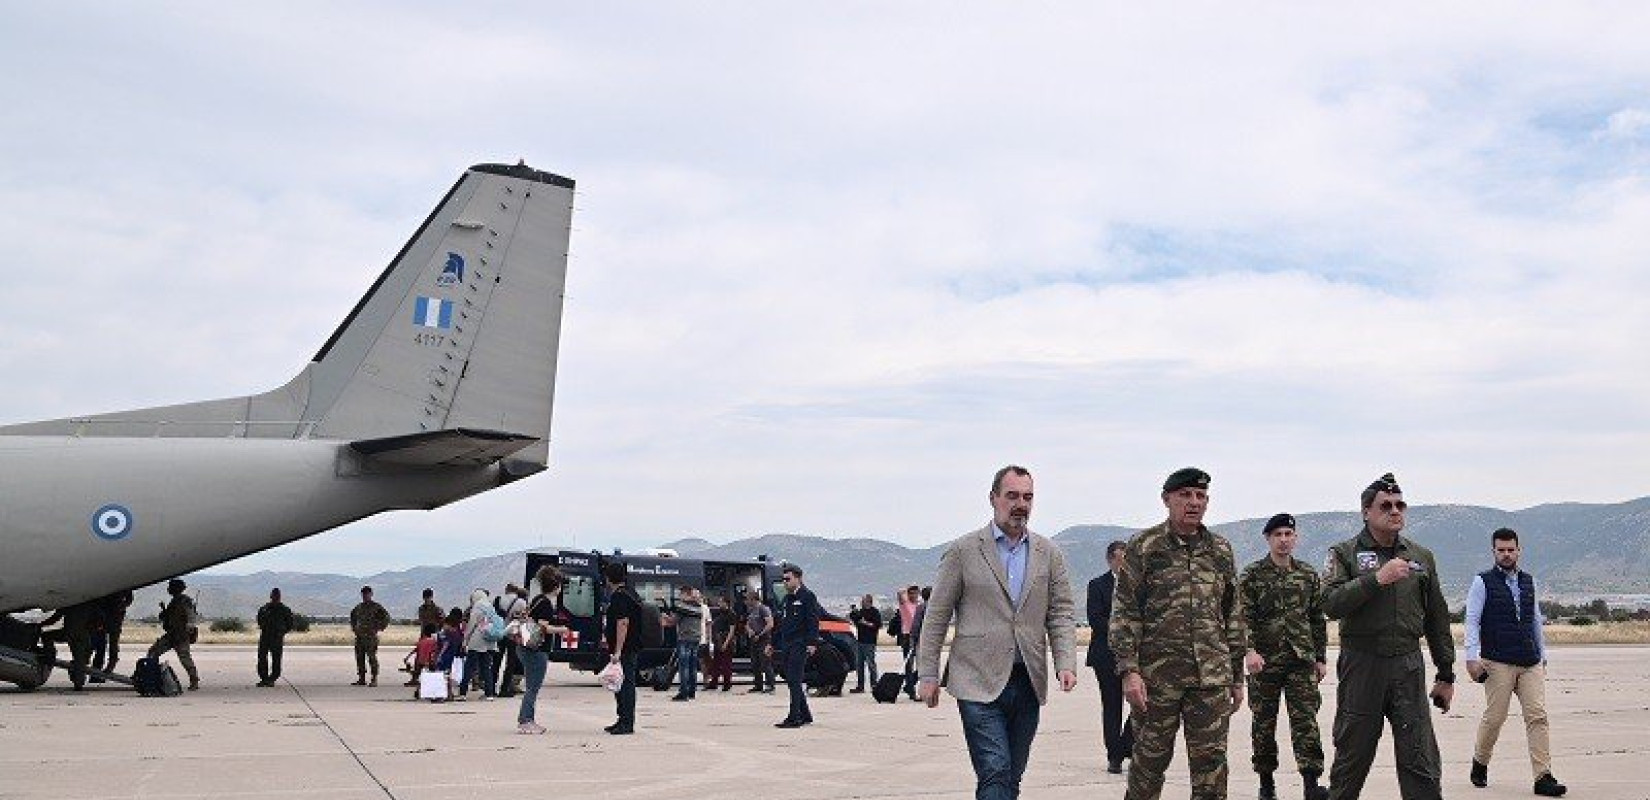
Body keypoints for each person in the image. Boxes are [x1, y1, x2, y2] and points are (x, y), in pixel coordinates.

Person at [918, 465, 1078, 800]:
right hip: (976, 680)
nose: (1021, 504)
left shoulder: (1048, 554)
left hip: (1027, 680)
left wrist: (1066, 662)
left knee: (1011, 776)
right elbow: (936, 617)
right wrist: (928, 674)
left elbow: (1061, 612)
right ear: (993, 498)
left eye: (1028, 497)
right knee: (995, 770)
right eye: (1012, 496)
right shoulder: (963, 551)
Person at [1110, 467, 1245, 800]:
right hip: (1157, 680)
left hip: (1211, 680)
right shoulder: (1145, 546)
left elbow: (1233, 614)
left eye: (1200, 496)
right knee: (1147, 768)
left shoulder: (1220, 550)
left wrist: (1236, 676)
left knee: (1212, 771)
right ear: (1166, 499)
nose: (1194, 502)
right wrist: (1129, 671)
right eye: (1185, 495)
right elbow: (1126, 611)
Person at [1321, 473, 1455, 800]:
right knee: (1352, 754)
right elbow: (1330, 604)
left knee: (1419, 757)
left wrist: (1446, 672)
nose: (1395, 511)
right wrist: (1375, 580)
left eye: (1400, 505)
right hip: (1362, 665)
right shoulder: (1344, 553)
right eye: (1386, 506)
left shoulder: (1420, 556)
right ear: (1366, 512)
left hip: (1408, 665)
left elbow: (1436, 617)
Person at [1465, 528, 1567, 797]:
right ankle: (1480, 761)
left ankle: (1543, 777)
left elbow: (1535, 620)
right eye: (1501, 550)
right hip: (1497, 661)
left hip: (1529, 661)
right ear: (1494, 552)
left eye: (1511, 550)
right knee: (1495, 718)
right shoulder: (1482, 582)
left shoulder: (1529, 581)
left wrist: (1542, 656)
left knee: (1537, 716)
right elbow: (1472, 621)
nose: (1506, 554)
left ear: (1519, 551)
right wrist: (1471, 658)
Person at [1239, 514, 1329, 800]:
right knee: (1263, 724)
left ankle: (1311, 783)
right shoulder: (1252, 575)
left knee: (1306, 722)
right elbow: (1243, 617)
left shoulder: (1307, 574)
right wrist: (1249, 651)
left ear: (1296, 538)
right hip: (1264, 662)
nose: (1284, 540)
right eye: (1278, 534)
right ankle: (1266, 784)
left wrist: (1320, 657)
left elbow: (1316, 618)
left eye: (1288, 534)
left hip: (1300, 659)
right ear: (1268, 539)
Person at [1086, 540, 1134, 774]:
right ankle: (1114, 756)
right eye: (1120, 559)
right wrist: (1121, 629)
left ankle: (1125, 745)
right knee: (1112, 705)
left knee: (1143, 703)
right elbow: (1095, 618)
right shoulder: (1097, 585)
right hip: (1106, 655)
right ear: (1110, 560)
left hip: (1134, 655)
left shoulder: (1137, 585)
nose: (1124, 564)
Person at [517, 566, 571, 733]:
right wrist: (562, 629)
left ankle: (527, 719)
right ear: (555, 586)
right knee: (533, 687)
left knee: (531, 686)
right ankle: (526, 720)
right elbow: (543, 627)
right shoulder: (546, 604)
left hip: (525, 645)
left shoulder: (537, 599)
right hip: (537, 649)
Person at [770, 563, 822, 728]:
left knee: (794, 679)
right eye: (783, 579)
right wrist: (772, 643)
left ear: (798, 578)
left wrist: (812, 642)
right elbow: (782, 624)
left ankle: (794, 717)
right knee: (792, 679)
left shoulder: (807, 596)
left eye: (788, 579)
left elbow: (813, 621)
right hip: (787, 644)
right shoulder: (787, 599)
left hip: (800, 644)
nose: (785, 582)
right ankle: (805, 715)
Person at [603, 560, 643, 735]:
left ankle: (626, 722)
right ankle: (622, 719)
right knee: (620, 683)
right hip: (630, 646)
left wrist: (618, 650)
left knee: (625, 684)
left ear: (608, 578)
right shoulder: (631, 593)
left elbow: (623, 623)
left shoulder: (619, 596)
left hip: (625, 648)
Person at [146, 578, 201, 691]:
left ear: (176, 588)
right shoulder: (175, 601)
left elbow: (191, 616)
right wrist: (164, 612)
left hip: (180, 635)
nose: (168, 589)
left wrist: (189, 629)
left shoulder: (184, 601)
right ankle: (152, 677)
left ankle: (194, 680)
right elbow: (168, 617)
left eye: (170, 587)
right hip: (172, 633)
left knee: (184, 657)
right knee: (153, 652)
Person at [461, 588, 499, 701]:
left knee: (469, 667)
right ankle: (489, 694)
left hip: (477, 641)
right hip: (489, 641)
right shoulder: (490, 606)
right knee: (486, 668)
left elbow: (472, 624)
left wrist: (465, 639)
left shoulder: (477, 607)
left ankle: (463, 693)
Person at [349, 585, 390, 686]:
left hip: (371, 637)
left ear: (371, 594)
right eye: (363, 594)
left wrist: (378, 628)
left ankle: (374, 678)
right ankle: (361, 678)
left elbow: (386, 618)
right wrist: (354, 628)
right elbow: (352, 617)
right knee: (360, 658)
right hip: (360, 637)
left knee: (371, 658)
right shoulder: (359, 607)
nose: (365, 596)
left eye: (367, 594)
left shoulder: (376, 607)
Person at [90, 590, 133, 683]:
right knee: (102, 646)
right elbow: (129, 599)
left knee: (106, 646)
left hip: (111, 618)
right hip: (106, 618)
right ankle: (98, 672)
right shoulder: (122, 587)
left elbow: (129, 599)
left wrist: (121, 607)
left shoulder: (122, 588)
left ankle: (105, 669)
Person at [255, 588, 295, 687]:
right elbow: (259, 620)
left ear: (279, 597)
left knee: (276, 659)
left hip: (277, 637)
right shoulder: (265, 608)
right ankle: (264, 678)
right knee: (262, 657)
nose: (275, 597)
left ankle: (272, 679)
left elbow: (290, 623)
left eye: (276, 595)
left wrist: (281, 632)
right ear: (271, 596)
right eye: (273, 595)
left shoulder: (284, 609)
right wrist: (264, 627)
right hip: (265, 636)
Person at [671, 585, 704, 701]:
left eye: (681, 593)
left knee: (683, 666)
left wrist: (665, 618)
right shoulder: (699, 607)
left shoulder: (682, 606)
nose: (679, 596)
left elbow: (674, 621)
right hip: (696, 638)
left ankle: (683, 693)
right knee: (692, 666)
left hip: (684, 638)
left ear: (686, 594)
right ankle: (692, 692)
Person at [495, 583, 528, 697]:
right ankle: (505, 689)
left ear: (506, 590)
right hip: (513, 635)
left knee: (496, 661)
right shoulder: (522, 602)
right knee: (511, 663)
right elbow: (524, 620)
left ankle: (491, 688)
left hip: (499, 634)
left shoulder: (499, 600)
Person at [406, 587, 443, 686]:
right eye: (425, 597)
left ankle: (434, 678)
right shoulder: (421, 609)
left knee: (432, 658)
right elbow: (421, 621)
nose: (426, 599)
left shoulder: (437, 609)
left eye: (428, 597)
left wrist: (437, 634)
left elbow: (442, 622)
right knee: (419, 657)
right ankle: (415, 678)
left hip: (434, 636)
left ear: (431, 597)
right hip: (424, 635)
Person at [848, 594, 882, 693]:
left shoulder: (875, 612)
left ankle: (874, 685)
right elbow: (856, 622)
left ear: (869, 602)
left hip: (870, 642)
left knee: (871, 664)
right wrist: (854, 614)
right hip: (860, 641)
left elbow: (877, 625)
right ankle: (860, 686)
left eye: (863, 601)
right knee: (859, 665)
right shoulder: (861, 612)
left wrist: (865, 623)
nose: (861, 603)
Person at [744, 591, 776, 693]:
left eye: (747, 599)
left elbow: (770, 624)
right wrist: (749, 630)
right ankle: (758, 685)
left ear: (753, 599)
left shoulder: (763, 609)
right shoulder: (751, 610)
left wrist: (760, 634)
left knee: (766, 662)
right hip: (754, 639)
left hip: (764, 640)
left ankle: (770, 685)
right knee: (755, 663)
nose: (746, 602)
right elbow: (747, 623)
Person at [706, 595, 736, 691]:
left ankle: (727, 683)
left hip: (725, 640)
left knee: (726, 664)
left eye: (720, 602)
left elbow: (731, 630)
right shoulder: (718, 613)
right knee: (716, 663)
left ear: (725, 603)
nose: (718, 603)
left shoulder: (731, 614)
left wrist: (726, 643)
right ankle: (714, 682)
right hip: (717, 640)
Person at [897, 584, 921, 697]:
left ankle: (909, 685)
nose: (913, 595)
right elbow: (899, 593)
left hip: (918, 636)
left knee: (922, 665)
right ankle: (911, 690)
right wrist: (907, 589)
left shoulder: (919, 606)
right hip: (907, 636)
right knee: (909, 665)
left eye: (915, 593)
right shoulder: (905, 604)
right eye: (911, 593)